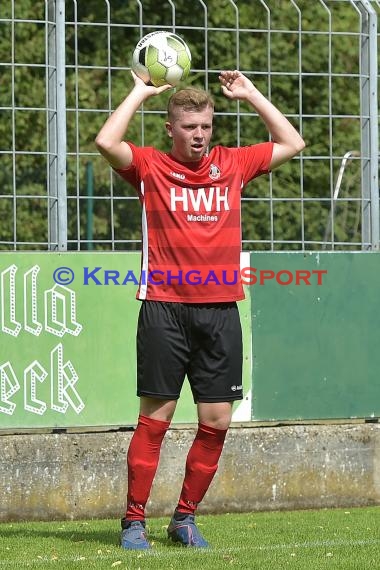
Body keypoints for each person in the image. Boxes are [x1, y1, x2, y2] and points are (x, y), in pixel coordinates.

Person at [95, 69, 305, 550]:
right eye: (190, 127)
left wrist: (251, 94)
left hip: (220, 312)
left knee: (216, 422)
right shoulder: (148, 167)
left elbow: (292, 142)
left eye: (206, 126)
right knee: (157, 418)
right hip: (164, 309)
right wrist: (140, 92)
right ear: (171, 128)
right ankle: (133, 522)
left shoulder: (233, 164)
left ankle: (184, 520)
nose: (199, 135)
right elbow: (107, 141)